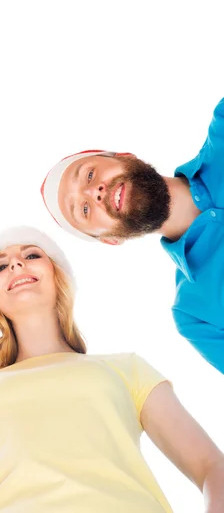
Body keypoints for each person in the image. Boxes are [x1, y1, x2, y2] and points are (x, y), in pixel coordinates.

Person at [0, 226, 224, 513]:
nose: (15, 264)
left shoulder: (127, 368)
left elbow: (212, 466)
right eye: (0, 267)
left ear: (59, 275)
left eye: (31, 255)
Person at [41, 97, 224, 374]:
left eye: (89, 175)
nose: (94, 192)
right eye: (85, 209)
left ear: (126, 157)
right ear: (111, 239)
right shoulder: (197, 316)